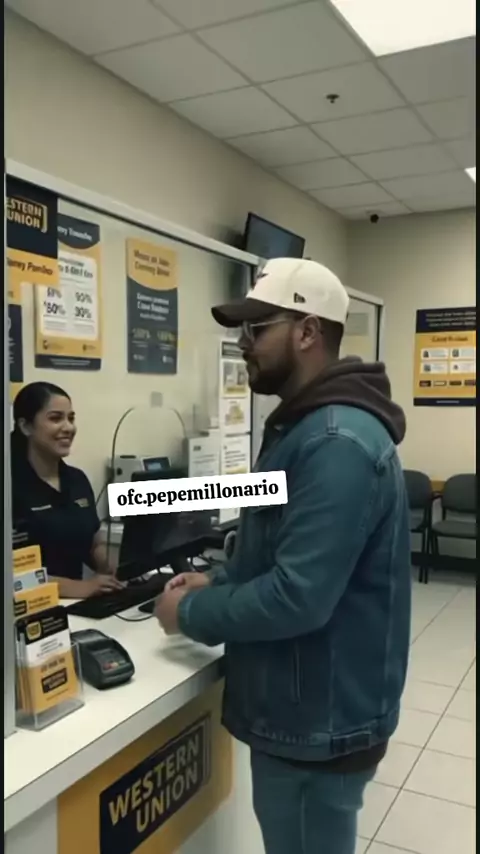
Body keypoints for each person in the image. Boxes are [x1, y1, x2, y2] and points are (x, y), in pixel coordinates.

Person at [155, 258, 411, 854]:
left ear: (307, 332)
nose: (243, 343)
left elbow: (298, 596)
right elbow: (275, 546)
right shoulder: (301, 429)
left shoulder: (334, 442)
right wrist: (218, 579)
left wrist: (187, 614)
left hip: (318, 720)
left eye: (257, 328)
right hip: (308, 709)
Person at [11, 381, 124, 599]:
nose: (68, 427)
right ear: (26, 427)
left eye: (71, 418)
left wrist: (113, 566)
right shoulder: (10, 486)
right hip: (27, 608)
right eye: (55, 418)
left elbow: (92, 543)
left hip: (75, 606)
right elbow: (13, 573)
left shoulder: (77, 480)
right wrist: (81, 588)